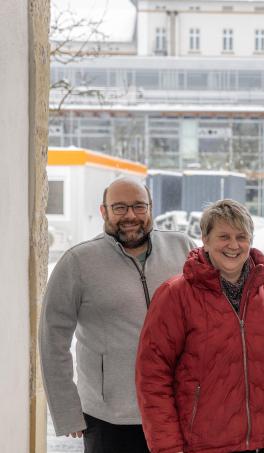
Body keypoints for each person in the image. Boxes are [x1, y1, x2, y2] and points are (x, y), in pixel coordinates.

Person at [135, 199, 264, 453]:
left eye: (241, 237)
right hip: (204, 444)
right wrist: (167, 445)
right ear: (205, 239)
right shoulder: (175, 295)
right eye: (223, 236)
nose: (233, 245)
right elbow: (153, 374)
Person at [39, 177, 196, 452]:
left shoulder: (183, 249)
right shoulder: (78, 262)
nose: (131, 216)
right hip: (109, 418)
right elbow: (52, 337)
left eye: (138, 206)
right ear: (104, 212)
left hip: (177, 409)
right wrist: (66, 408)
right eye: (120, 208)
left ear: (151, 208)